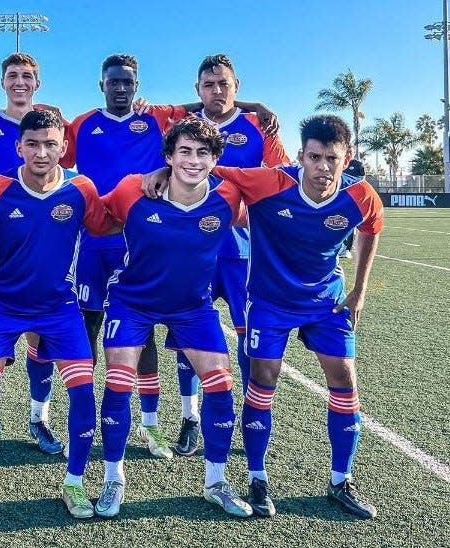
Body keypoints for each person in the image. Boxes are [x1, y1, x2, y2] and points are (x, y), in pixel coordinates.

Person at [142, 114, 383, 519]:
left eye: (332, 159)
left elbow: (372, 228)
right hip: (269, 301)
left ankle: (341, 481)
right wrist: (164, 170)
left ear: (348, 158)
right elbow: (211, 164)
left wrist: (359, 289)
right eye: (314, 157)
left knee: (343, 377)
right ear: (300, 156)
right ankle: (258, 478)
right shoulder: (270, 182)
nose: (323, 167)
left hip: (326, 301)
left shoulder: (361, 195)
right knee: (263, 377)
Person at [63, 54, 276, 459]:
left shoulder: (173, 119)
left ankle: (172, 422)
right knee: (92, 329)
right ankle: (86, 418)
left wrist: (255, 107)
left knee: (183, 333)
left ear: (137, 84)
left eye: (128, 81)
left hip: (184, 244)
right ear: (101, 84)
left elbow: (212, 110)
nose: (121, 87)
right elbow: (52, 152)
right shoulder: (83, 123)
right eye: (114, 81)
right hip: (103, 239)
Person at [0, 110, 113, 521]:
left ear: (64, 146)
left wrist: (150, 186)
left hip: (59, 308)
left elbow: (108, 223)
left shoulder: (81, 188)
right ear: (18, 147)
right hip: (1, 306)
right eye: (33, 144)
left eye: (50, 144)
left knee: (83, 391)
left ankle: (75, 482)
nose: (42, 152)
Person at [95, 116, 252, 519]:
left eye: (202, 153)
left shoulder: (229, 197)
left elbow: (275, 201)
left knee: (220, 386)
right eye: (184, 152)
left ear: (215, 159)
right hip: (132, 301)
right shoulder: (135, 188)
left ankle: (216, 481)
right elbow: (98, 219)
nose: (193, 160)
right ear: (169, 156)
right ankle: (114, 477)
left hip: (192, 306)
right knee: (118, 381)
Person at [162, 54, 290, 458]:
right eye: (209, 84)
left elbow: (282, 176)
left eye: (225, 84)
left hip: (241, 250)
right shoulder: (182, 124)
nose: (217, 91)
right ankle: (190, 418)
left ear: (237, 86)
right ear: (197, 88)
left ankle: (252, 418)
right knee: (187, 335)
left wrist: (256, 107)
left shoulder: (257, 125)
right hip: (190, 248)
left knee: (246, 335)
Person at [0, 52, 68, 455]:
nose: (19, 82)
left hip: (42, 245)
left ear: (37, 83)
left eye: (27, 76)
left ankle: (39, 417)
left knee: (42, 336)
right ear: (2, 81)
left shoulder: (52, 126)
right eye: (13, 75)